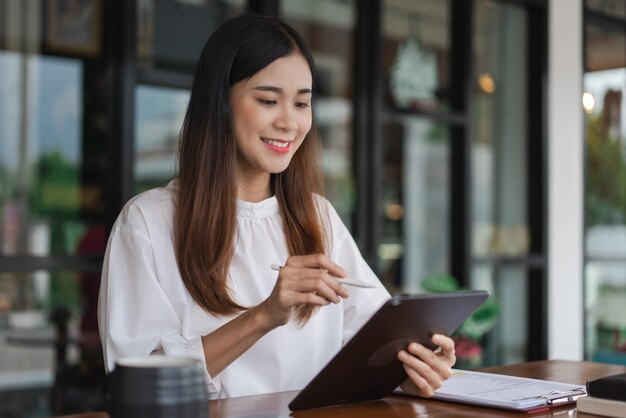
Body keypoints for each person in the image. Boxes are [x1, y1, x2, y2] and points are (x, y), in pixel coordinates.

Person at [98, 13, 455, 399]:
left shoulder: (317, 217)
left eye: (302, 103)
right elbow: (135, 387)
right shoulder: (148, 223)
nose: (290, 122)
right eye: (269, 100)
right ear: (219, 102)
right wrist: (265, 315)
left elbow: (373, 339)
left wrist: (413, 364)